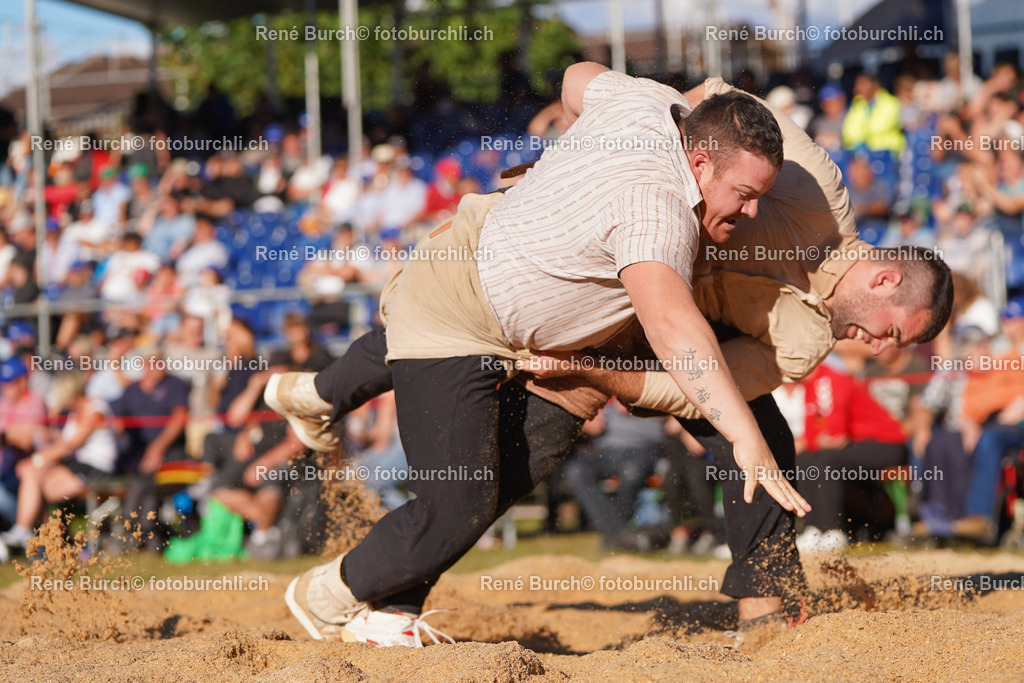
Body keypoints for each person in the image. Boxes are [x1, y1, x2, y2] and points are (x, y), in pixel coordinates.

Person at [269, 69, 954, 646]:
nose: (881, 349)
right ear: (885, 280)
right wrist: (583, 157)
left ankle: (766, 613)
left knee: (753, 436)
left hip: (618, 326)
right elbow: (711, 104)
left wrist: (603, 376)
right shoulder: (804, 185)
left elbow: (691, 380)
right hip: (589, 286)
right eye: (893, 333)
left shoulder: (807, 338)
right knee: (470, 441)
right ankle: (344, 465)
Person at [1, 370, 117, 557]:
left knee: (35, 479)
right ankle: (45, 540)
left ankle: (31, 533)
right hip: (76, 464)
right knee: (34, 479)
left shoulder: (96, 410)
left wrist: (37, 460)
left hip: (96, 468)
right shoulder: (75, 413)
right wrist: (46, 433)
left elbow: (71, 445)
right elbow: (66, 441)